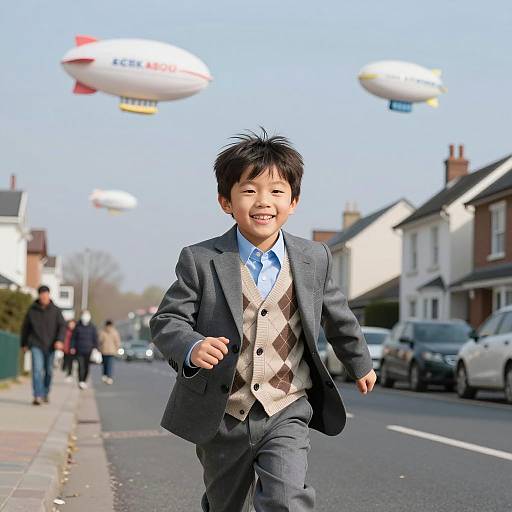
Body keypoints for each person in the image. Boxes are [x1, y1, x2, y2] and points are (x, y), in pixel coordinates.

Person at [150, 130, 377, 512]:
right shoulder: (201, 259)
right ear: (226, 202)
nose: (263, 202)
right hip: (224, 415)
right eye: (249, 190)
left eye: (276, 191)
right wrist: (191, 346)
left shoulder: (313, 258)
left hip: (286, 406)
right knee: (227, 505)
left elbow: (338, 316)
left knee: (287, 499)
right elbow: (168, 319)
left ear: (294, 201)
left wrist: (360, 362)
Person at [21, 285, 66, 405]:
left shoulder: (56, 310)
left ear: (49, 295)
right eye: (42, 295)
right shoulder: (32, 310)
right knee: (36, 370)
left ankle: (45, 392)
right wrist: (24, 343)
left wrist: (59, 340)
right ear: (39, 295)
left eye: (46, 295)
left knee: (49, 371)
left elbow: (62, 326)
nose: (44, 297)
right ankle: (37, 395)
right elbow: (25, 328)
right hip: (36, 344)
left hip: (51, 345)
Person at [70, 310, 98, 390]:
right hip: (79, 350)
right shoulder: (77, 326)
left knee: (86, 367)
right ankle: (81, 381)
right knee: (80, 366)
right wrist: (72, 347)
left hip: (89, 350)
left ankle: (84, 380)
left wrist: (96, 348)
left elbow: (95, 338)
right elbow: (73, 338)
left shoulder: (92, 327)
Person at [98, 319, 121, 385]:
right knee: (108, 365)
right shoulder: (114, 332)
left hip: (105, 351)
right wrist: (117, 349)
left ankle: (106, 376)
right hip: (110, 351)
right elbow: (118, 342)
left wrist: (99, 348)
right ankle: (108, 377)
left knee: (106, 364)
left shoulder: (103, 332)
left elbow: (99, 341)